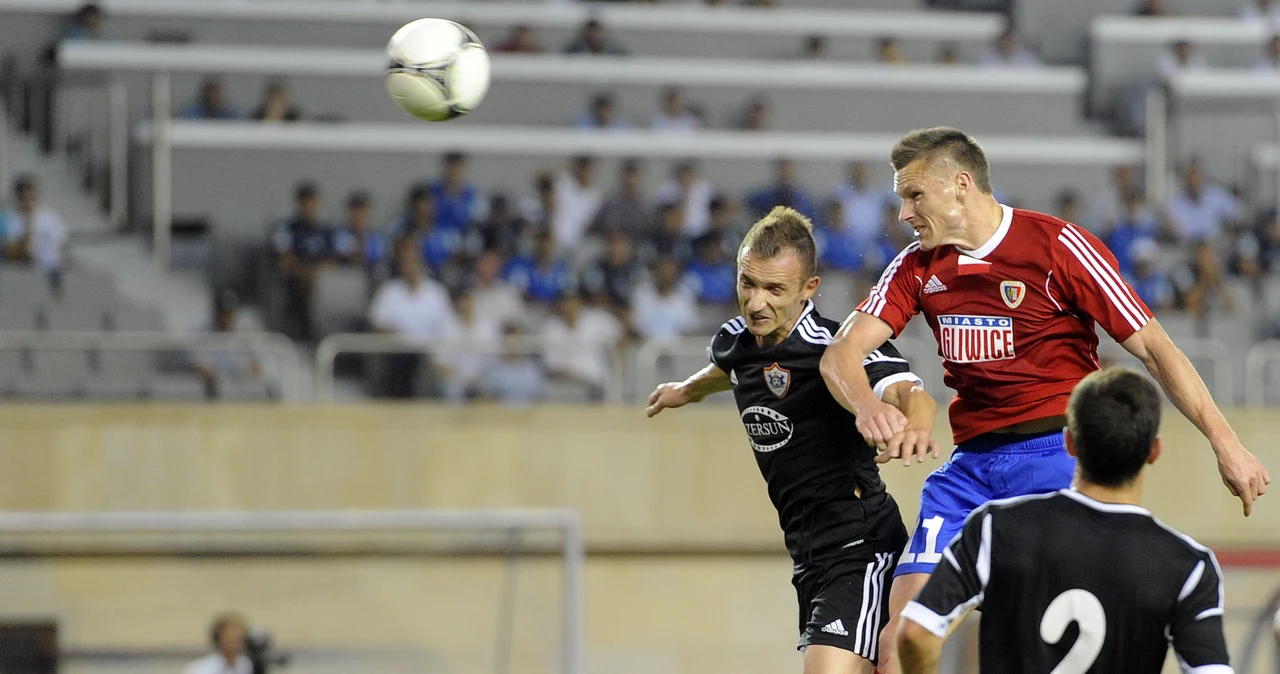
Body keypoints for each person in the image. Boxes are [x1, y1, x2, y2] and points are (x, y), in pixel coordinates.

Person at [818, 126, 1269, 673]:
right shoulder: (917, 266)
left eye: (914, 196)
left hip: (1056, 456)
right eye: (900, 199)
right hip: (970, 470)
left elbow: (1153, 345)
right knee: (900, 636)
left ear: (960, 185)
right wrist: (867, 405)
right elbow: (840, 353)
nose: (904, 214)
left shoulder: (1056, 247)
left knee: (1057, 630)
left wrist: (1226, 443)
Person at [647, 206, 939, 674]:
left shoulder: (837, 346)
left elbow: (911, 393)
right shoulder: (735, 340)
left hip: (859, 548)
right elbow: (727, 368)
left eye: (774, 289)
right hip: (808, 556)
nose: (757, 302)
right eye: (748, 283)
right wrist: (686, 390)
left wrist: (916, 428)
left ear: (809, 289)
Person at [898, 369, 1232, 674]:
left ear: (1070, 442)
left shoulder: (995, 528)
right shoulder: (1188, 566)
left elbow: (915, 632)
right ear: (1154, 452)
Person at [183, 613, 252, 674]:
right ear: (220, 639)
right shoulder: (201, 669)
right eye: (232, 637)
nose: (238, 642)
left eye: (240, 638)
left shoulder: (247, 666)